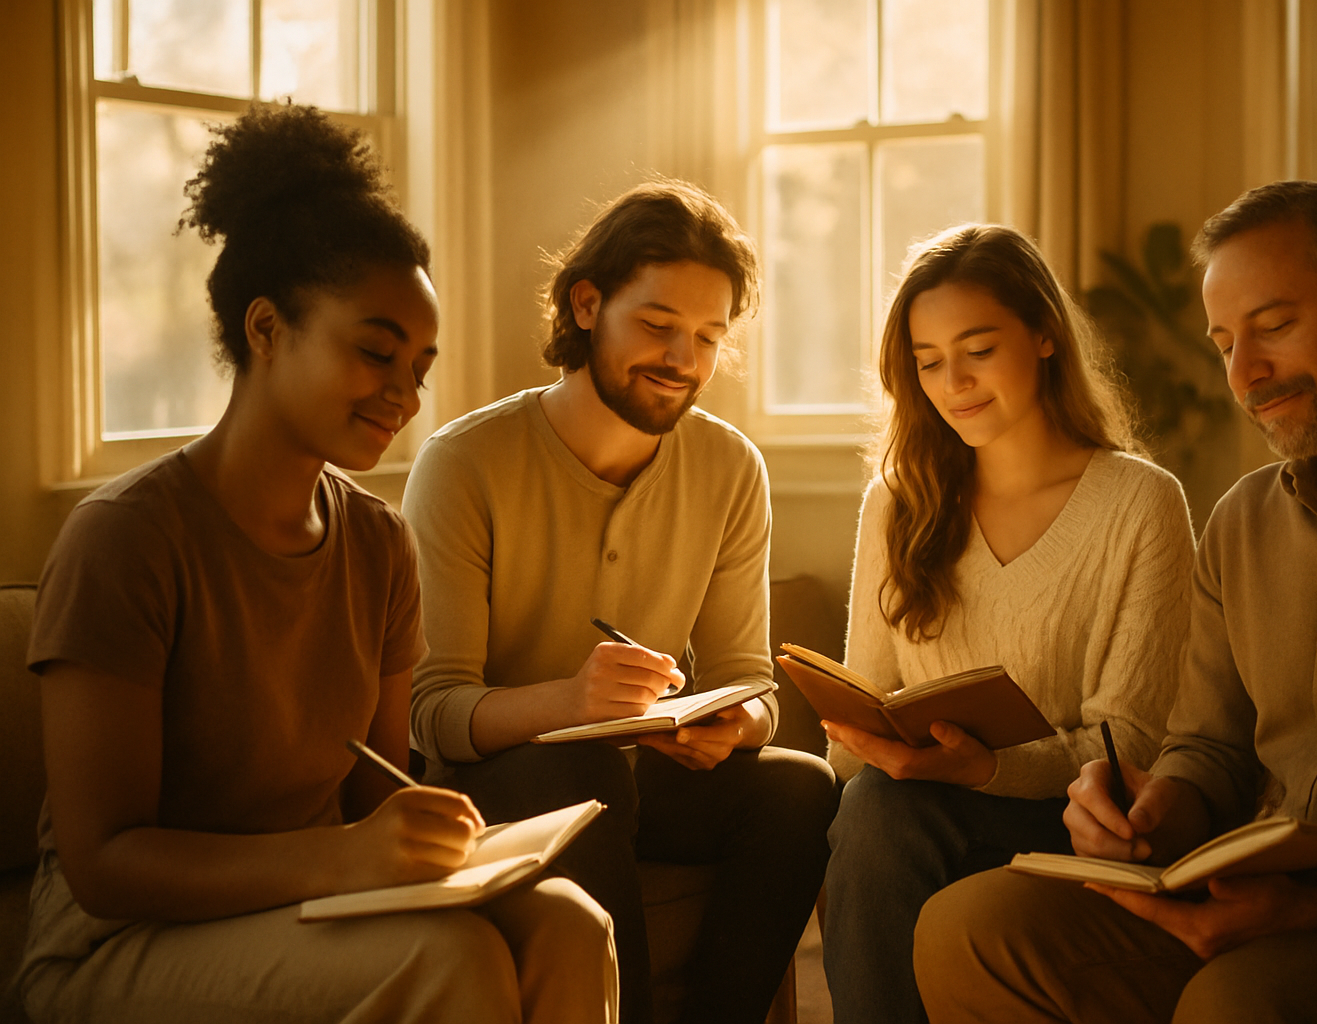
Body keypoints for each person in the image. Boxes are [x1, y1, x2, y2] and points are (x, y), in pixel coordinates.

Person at [16, 104, 617, 1024]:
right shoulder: (125, 539)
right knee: (449, 960)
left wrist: (446, 838)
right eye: (376, 352)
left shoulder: (377, 542)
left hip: (301, 901)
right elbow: (105, 864)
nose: (405, 396)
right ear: (265, 330)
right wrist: (343, 857)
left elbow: (379, 789)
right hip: (116, 944)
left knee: (570, 921)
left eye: (419, 367)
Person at [912, 181, 1317, 1023]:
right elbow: (1208, 748)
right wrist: (1151, 810)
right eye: (1224, 342)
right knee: (968, 927)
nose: (1246, 374)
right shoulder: (1242, 521)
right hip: (1261, 908)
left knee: (1235, 1004)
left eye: (1274, 327)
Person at [402, 179, 839, 1024]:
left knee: (802, 789)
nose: (684, 359)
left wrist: (731, 726)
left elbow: (751, 681)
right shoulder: (464, 465)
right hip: (503, 788)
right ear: (587, 302)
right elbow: (432, 714)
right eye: (658, 326)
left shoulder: (731, 470)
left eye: (708, 337)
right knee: (585, 765)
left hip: (649, 776)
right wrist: (568, 703)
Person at [818, 224, 1195, 1024]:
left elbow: (1136, 744)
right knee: (873, 809)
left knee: (884, 818)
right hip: (908, 816)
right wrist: (872, 744)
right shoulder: (896, 503)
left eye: (977, 349)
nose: (952, 382)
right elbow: (857, 720)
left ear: (1045, 335)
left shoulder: (1140, 503)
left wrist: (983, 768)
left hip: (1065, 821)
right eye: (927, 362)